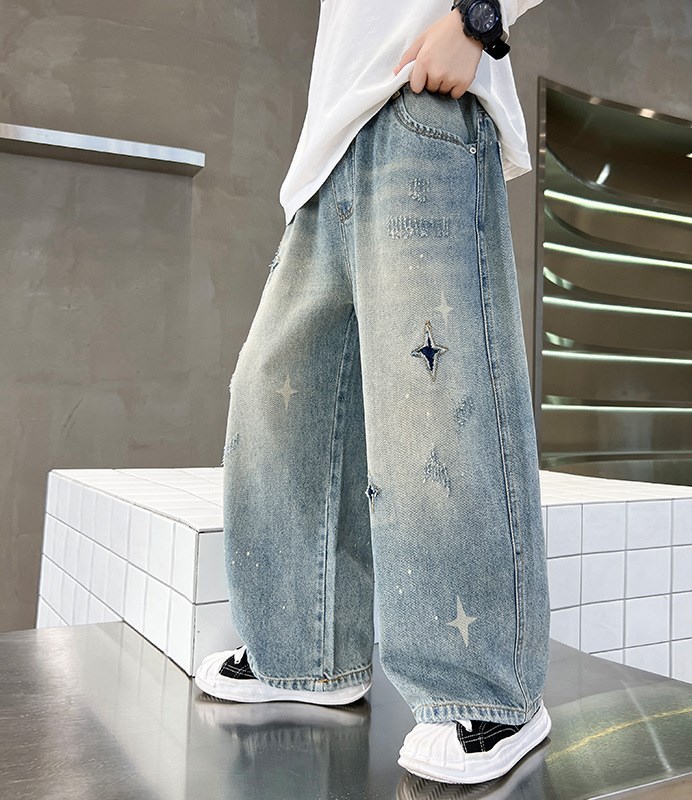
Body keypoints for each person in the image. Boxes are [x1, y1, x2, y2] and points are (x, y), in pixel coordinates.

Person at [194, 0, 552, 785]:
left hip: (424, 104)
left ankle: (489, 691)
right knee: (275, 392)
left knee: (438, 401)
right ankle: (306, 650)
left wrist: (476, 20)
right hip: (329, 150)